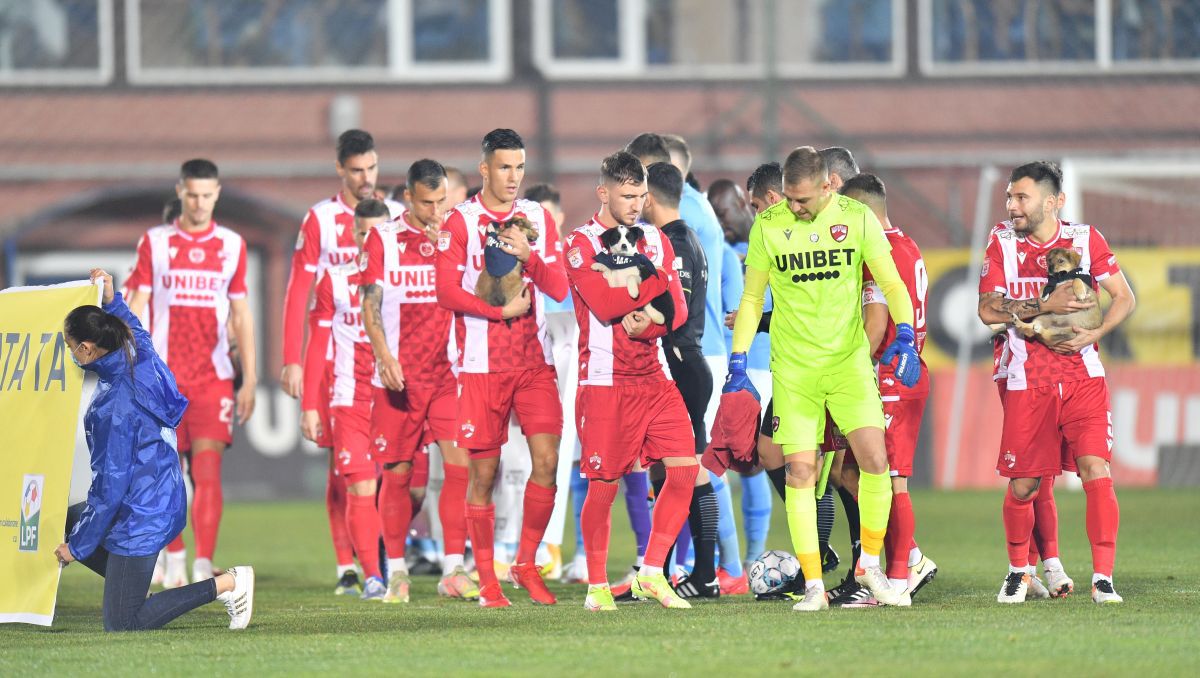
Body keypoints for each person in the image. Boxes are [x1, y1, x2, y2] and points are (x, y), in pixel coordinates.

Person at [728, 146, 921, 611]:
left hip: (848, 364)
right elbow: (752, 299)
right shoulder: (768, 225)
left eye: (802, 199)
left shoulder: (856, 218)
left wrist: (906, 334)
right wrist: (738, 360)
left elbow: (891, 282)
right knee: (800, 470)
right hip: (794, 370)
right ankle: (814, 585)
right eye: (788, 198)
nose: (793, 207)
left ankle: (868, 566)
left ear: (827, 185)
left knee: (875, 461)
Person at [58, 268, 254, 631]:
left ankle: (229, 584)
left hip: (141, 512)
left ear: (86, 349)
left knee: (123, 623)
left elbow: (110, 488)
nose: (70, 354)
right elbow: (137, 330)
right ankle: (130, 585)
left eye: (70, 347)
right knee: (65, 519)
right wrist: (113, 301)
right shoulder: (137, 355)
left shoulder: (115, 406)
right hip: (161, 493)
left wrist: (77, 548)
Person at [977, 161, 1134, 604]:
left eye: (1021, 197)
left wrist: (1096, 333)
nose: (1012, 206)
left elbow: (1123, 297)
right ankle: (1019, 571)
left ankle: (1103, 579)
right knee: (1026, 484)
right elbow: (987, 310)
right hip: (1028, 377)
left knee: (1096, 470)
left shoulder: (1086, 239)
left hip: (1083, 375)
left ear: (1054, 202)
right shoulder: (1002, 241)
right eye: (1009, 197)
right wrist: (1044, 304)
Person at [436, 128, 568, 608]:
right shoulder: (462, 221)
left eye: (520, 167)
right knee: (484, 475)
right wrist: (498, 312)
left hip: (535, 362)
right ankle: (488, 581)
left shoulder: (536, 218)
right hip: (481, 366)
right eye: (505, 167)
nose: (513, 177)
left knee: (547, 462)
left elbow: (559, 287)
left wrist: (528, 256)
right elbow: (445, 291)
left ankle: (526, 564)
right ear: (485, 169)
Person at [566, 151, 696, 611]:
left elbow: (679, 309)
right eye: (626, 196)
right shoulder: (580, 243)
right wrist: (653, 282)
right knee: (603, 486)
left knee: (685, 469)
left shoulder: (656, 238)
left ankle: (652, 572)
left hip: (653, 377)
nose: (636, 204)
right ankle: (597, 587)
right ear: (603, 193)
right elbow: (603, 305)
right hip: (605, 382)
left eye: (641, 195)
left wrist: (651, 326)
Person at [281, 129, 403, 596]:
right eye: (357, 170)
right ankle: (350, 567)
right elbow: (298, 290)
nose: (366, 177)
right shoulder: (320, 219)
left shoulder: (395, 214)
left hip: (390, 373)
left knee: (393, 477)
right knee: (347, 473)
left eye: (372, 168)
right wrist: (292, 359)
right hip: (338, 364)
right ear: (341, 169)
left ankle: (387, 557)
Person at [126, 159, 256, 588]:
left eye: (207, 195)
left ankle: (202, 563)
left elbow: (241, 314)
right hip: (164, 379)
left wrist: (251, 377)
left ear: (217, 194)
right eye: (193, 195)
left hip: (213, 377)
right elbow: (137, 305)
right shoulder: (156, 243)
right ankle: (175, 555)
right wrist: (131, 365)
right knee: (167, 472)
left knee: (208, 470)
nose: (199, 203)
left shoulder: (232, 245)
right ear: (180, 191)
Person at [361, 162, 480, 602]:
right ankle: (397, 572)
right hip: (399, 379)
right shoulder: (383, 239)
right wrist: (383, 356)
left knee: (459, 467)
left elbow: (479, 291)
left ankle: (453, 569)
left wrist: (451, 249)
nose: (436, 211)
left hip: (448, 373)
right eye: (427, 203)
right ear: (408, 198)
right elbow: (369, 303)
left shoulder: (456, 236)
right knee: (398, 474)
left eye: (442, 201)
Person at [830, 173, 938, 606]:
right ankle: (907, 559)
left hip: (890, 375)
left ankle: (898, 578)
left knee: (891, 481)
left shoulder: (879, 253)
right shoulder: (906, 244)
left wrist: (847, 370)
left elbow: (876, 325)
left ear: (859, 211)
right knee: (851, 473)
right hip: (903, 372)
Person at [624, 133, 719, 588]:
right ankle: (660, 571)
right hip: (681, 364)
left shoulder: (675, 244)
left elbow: (670, 311)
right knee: (664, 468)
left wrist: (638, 316)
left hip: (683, 364)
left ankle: (705, 574)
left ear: (650, 199)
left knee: (690, 470)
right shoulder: (684, 238)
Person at [300, 200, 390, 601]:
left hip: (395, 396)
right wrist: (309, 404)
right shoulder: (334, 281)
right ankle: (372, 576)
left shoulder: (403, 277)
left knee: (406, 488)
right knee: (360, 486)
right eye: (363, 232)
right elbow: (317, 344)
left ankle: (395, 559)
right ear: (353, 235)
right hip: (349, 396)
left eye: (378, 232)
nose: (370, 241)